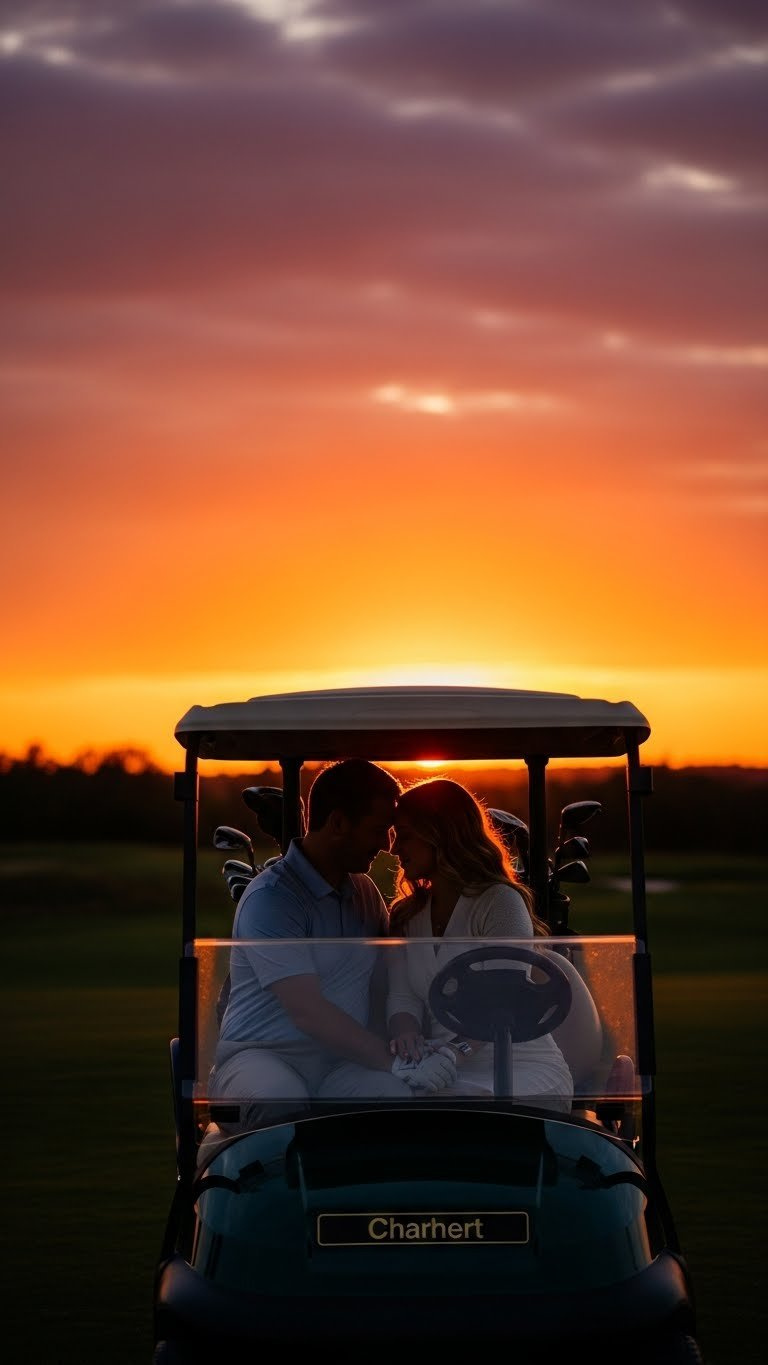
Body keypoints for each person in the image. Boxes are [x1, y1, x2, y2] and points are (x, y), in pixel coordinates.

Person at [208, 759, 457, 1130]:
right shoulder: (273, 898)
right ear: (338, 823)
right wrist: (396, 1062)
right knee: (280, 1101)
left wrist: (416, 1044)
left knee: (399, 1099)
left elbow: (389, 981)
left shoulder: (364, 892)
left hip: (341, 1063)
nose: (387, 846)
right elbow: (306, 1010)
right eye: (378, 830)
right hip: (263, 1057)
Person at [386, 778, 574, 1111]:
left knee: (460, 1111)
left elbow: (505, 1001)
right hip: (441, 1066)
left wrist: (452, 1054)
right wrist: (407, 1040)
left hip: (517, 1063)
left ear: (441, 835)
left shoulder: (499, 902)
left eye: (406, 836)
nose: (394, 848)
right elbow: (403, 997)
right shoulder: (407, 915)